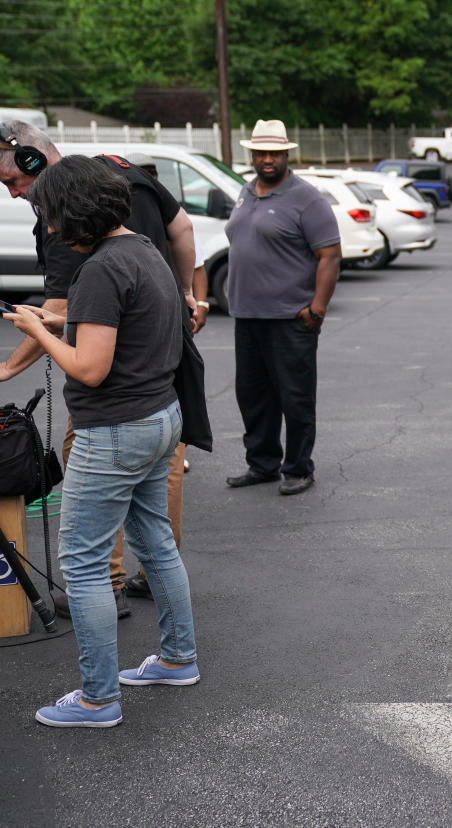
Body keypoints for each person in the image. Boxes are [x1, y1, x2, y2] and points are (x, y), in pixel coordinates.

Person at [5, 156, 199, 727]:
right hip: (160, 419)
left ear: (73, 211)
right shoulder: (143, 249)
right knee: (157, 544)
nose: (47, 225)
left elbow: (90, 369)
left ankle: (97, 699)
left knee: (85, 565)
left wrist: (40, 330)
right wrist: (60, 321)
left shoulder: (96, 272)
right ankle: (176, 659)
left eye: (47, 213)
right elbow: (123, 324)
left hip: (113, 432)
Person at [224, 119, 341, 496]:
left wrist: (317, 309)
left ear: (286, 155)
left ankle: (298, 468)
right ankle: (262, 464)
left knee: (295, 396)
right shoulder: (246, 191)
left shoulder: (306, 198)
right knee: (253, 396)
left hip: (291, 318)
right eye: (261, 153)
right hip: (248, 316)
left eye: (275, 153)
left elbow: (330, 255)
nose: (267, 159)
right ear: (253, 155)